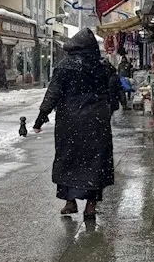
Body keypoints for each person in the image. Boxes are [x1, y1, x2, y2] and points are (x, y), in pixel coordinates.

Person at [33, 28, 121, 220]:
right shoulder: (103, 67)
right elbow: (114, 91)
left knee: (68, 159)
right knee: (96, 161)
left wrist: (41, 117)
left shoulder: (65, 66)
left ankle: (70, 201)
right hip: (96, 121)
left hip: (70, 121)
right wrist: (108, 109)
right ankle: (91, 205)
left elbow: (53, 93)